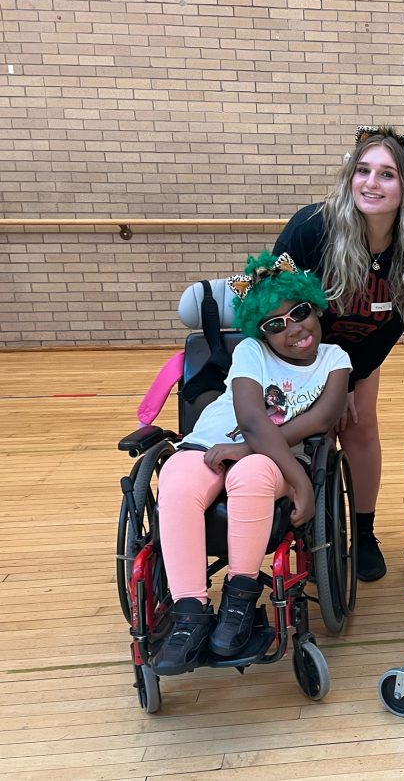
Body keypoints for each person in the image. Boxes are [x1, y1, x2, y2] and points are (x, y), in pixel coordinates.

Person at [153, 252, 352, 675]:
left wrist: (257, 454)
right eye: (274, 325)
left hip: (271, 458)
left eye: (299, 312)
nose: (292, 328)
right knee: (176, 477)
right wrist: (295, 478)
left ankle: (239, 600)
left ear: (315, 306)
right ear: (260, 332)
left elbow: (322, 418)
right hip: (210, 442)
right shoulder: (250, 351)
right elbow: (250, 417)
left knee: (252, 472)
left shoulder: (335, 359)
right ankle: (189, 614)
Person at [274, 125, 404, 582]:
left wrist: (349, 377)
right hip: (294, 351)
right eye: (363, 170)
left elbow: (392, 328)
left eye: (387, 174)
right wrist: (324, 380)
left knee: (361, 425)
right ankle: (307, 531)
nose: (372, 183)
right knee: (312, 433)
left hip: (359, 351)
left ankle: (363, 533)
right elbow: (278, 307)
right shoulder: (311, 228)